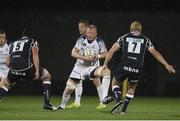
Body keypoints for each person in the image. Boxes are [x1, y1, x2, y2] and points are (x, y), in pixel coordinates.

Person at [102, 21, 176, 115]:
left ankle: (119, 99)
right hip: (137, 67)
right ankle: (123, 110)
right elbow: (155, 53)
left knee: (115, 82)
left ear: (130, 29)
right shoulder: (146, 39)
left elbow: (111, 51)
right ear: (140, 29)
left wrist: (105, 64)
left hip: (125, 64)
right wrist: (166, 64)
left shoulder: (124, 37)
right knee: (132, 87)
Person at [57, 25, 110, 110]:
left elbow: (105, 53)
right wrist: (86, 58)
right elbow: (73, 53)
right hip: (79, 67)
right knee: (69, 88)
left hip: (92, 67)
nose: (89, 35)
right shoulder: (81, 39)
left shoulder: (100, 41)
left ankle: (104, 98)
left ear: (96, 34)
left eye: (92, 33)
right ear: (86, 33)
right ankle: (62, 106)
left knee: (105, 71)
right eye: (88, 32)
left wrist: (98, 56)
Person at [0, 30, 56, 111]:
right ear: (31, 35)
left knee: (6, 84)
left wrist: (16, 72)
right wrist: (36, 71)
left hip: (13, 69)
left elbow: (8, 62)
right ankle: (47, 104)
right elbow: (35, 55)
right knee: (47, 76)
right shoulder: (33, 41)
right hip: (27, 69)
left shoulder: (14, 43)